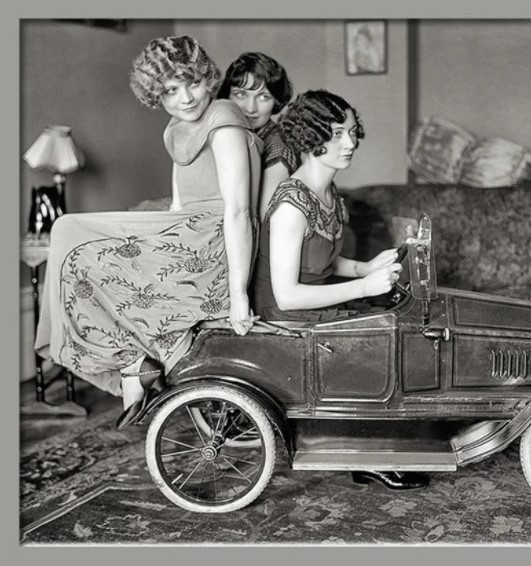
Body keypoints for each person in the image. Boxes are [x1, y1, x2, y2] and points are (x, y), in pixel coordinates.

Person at [35, 36, 262, 428]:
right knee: (74, 243)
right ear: (156, 95)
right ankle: (132, 362)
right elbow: (176, 205)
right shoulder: (177, 128)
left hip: (213, 242)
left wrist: (238, 295)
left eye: (192, 82)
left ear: (207, 78)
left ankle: (133, 366)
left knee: (68, 229)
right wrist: (138, 249)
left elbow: (239, 210)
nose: (186, 98)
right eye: (171, 90)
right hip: (184, 232)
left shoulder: (223, 116)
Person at [253, 89, 429, 490]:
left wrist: (365, 266)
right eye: (336, 134)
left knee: (397, 313)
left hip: (313, 300)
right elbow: (288, 295)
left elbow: (323, 262)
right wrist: (363, 285)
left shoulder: (327, 193)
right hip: (287, 316)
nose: (350, 143)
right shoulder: (290, 206)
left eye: (351, 131)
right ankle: (370, 452)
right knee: (384, 334)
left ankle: (375, 447)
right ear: (310, 136)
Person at [217, 52, 299, 219]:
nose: (250, 108)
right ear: (227, 96)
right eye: (241, 94)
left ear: (276, 102)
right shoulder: (231, 134)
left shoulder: (278, 149)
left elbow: (265, 219)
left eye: (263, 97)